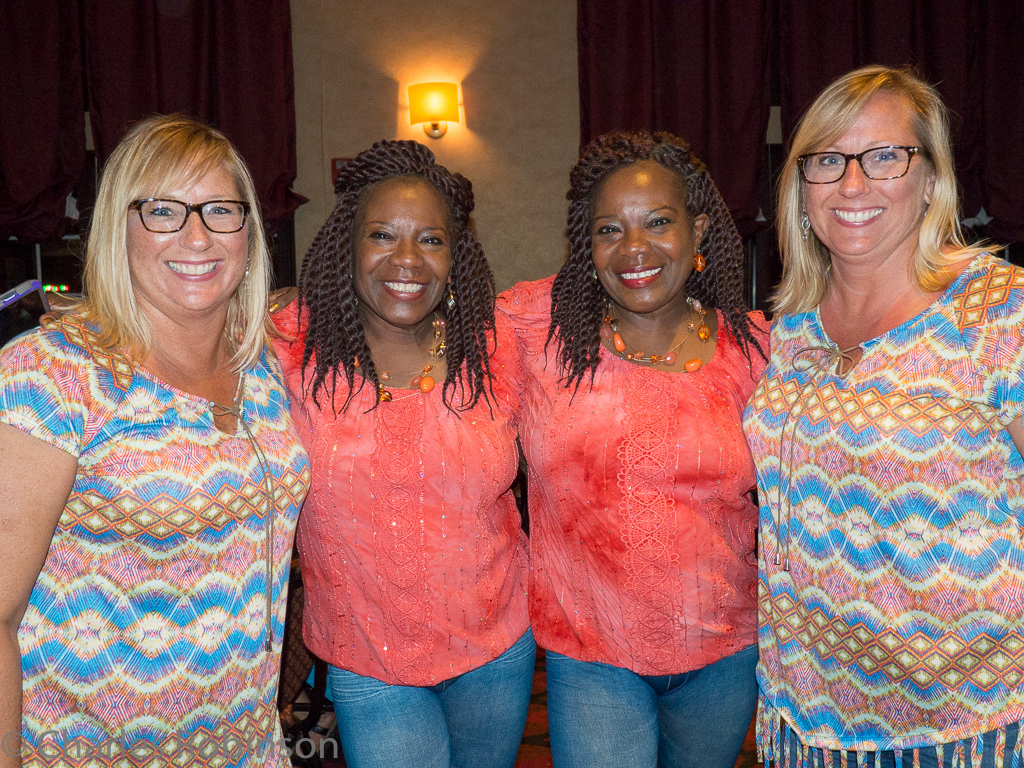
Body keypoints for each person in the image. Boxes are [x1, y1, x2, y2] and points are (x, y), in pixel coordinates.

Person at [0, 115, 310, 768]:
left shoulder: (267, 363)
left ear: (248, 230)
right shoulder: (52, 375)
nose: (197, 236)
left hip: (249, 750)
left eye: (220, 210)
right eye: (164, 210)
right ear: (119, 225)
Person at [743, 65, 1022, 766]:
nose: (854, 185)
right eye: (829, 161)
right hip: (810, 711)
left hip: (967, 721)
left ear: (931, 179)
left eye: (885, 156)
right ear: (801, 189)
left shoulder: (996, 311)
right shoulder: (792, 331)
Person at [496, 131, 769, 768]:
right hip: (591, 653)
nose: (634, 248)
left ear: (699, 231)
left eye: (658, 222)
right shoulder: (539, 332)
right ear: (586, 247)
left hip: (723, 649)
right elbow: (422, 318)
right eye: (609, 229)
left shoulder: (755, 351)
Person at [270, 139, 533, 768]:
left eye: (432, 240)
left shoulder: (498, 341)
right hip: (369, 654)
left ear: (457, 253)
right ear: (346, 244)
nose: (407, 260)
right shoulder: (287, 345)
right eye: (382, 234)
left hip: (497, 645)